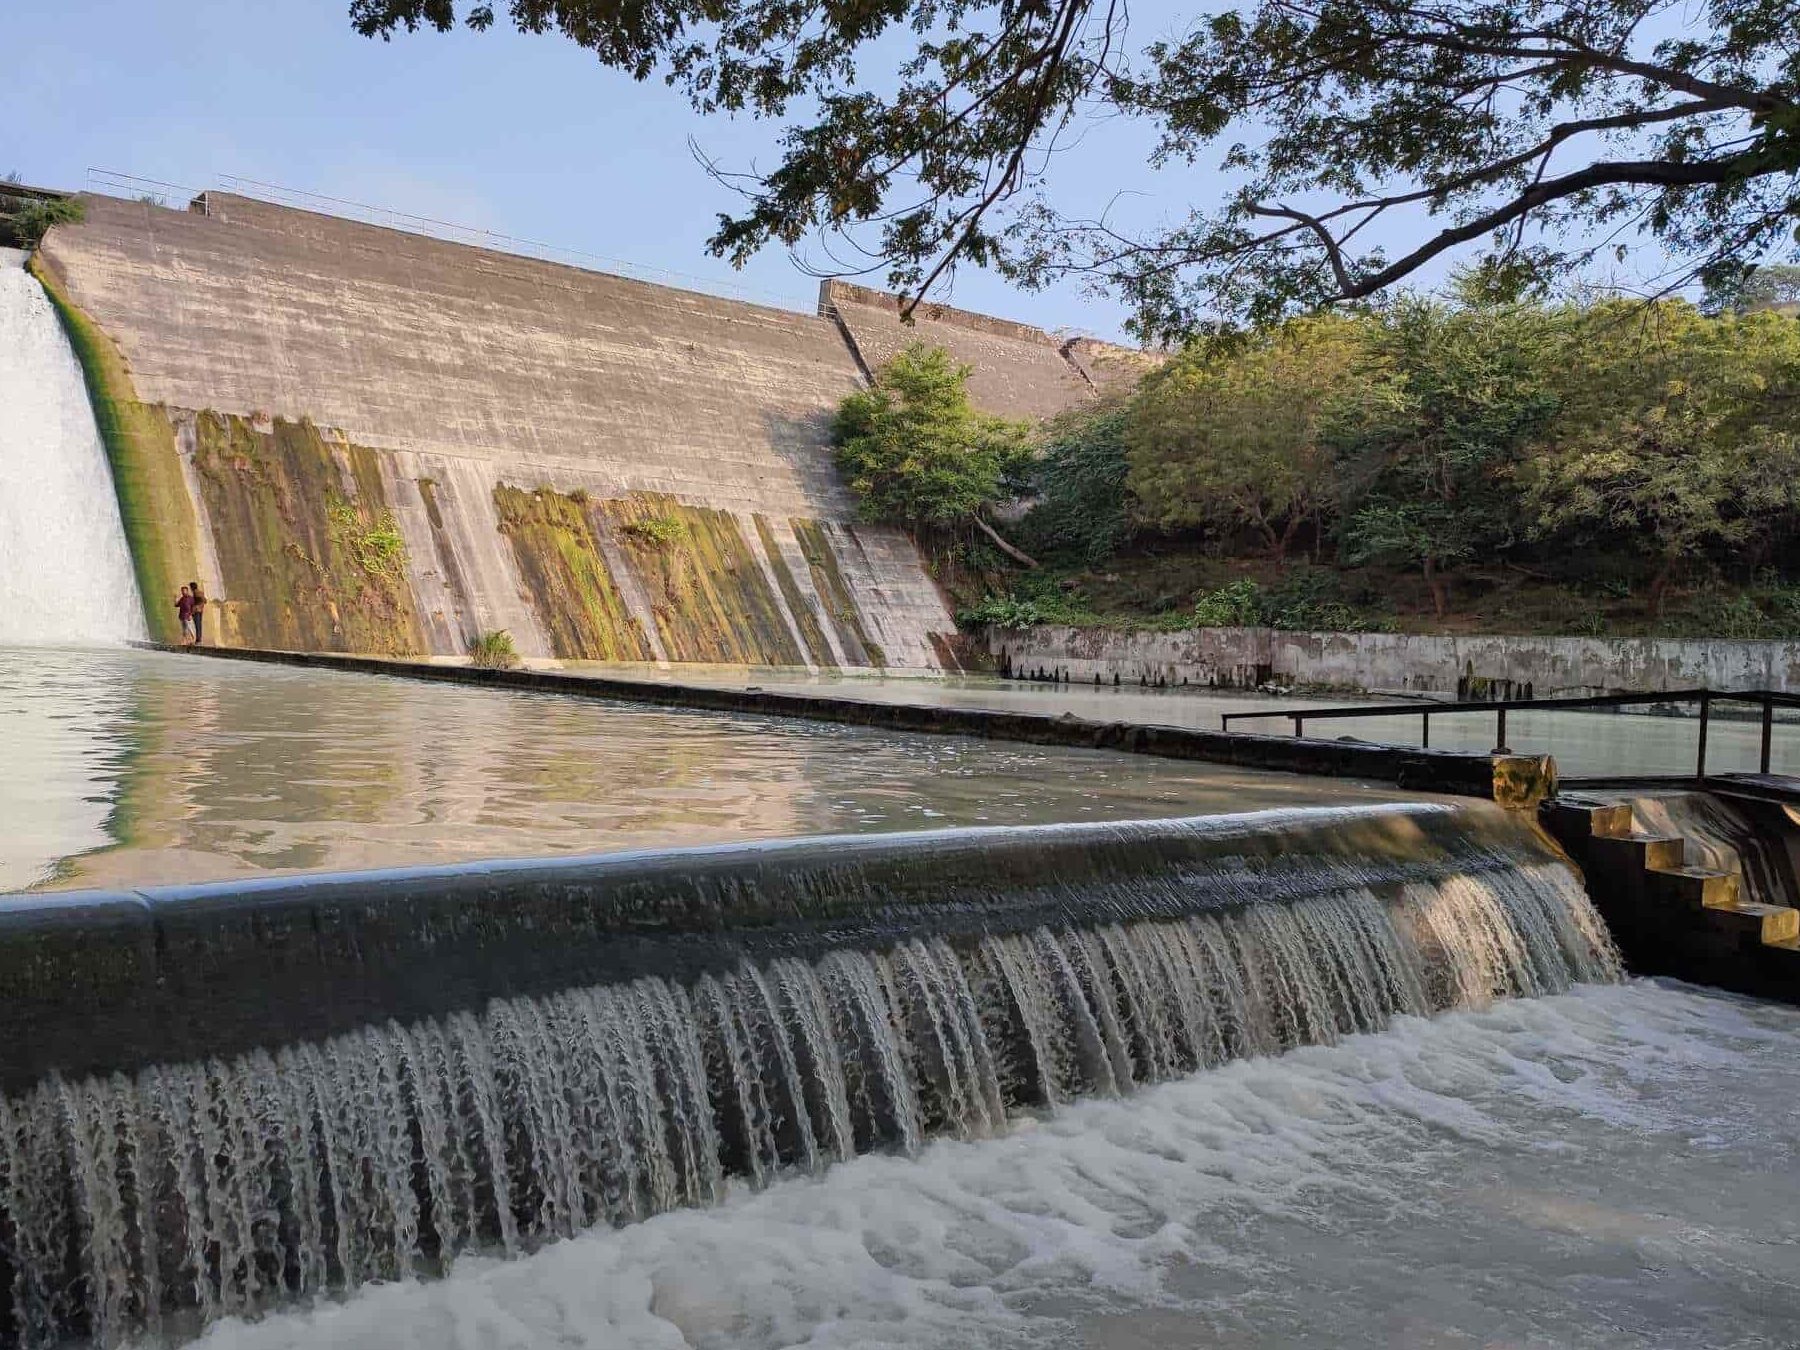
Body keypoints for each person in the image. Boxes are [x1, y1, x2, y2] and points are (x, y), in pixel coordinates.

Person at [190, 581, 207, 645]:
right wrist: (201, 604)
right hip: (200, 610)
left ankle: (198, 640)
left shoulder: (195, 592)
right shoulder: (200, 592)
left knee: (197, 625)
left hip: (196, 610)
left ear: (192, 587)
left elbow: (203, 600)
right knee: (199, 625)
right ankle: (199, 639)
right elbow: (205, 600)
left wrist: (196, 605)